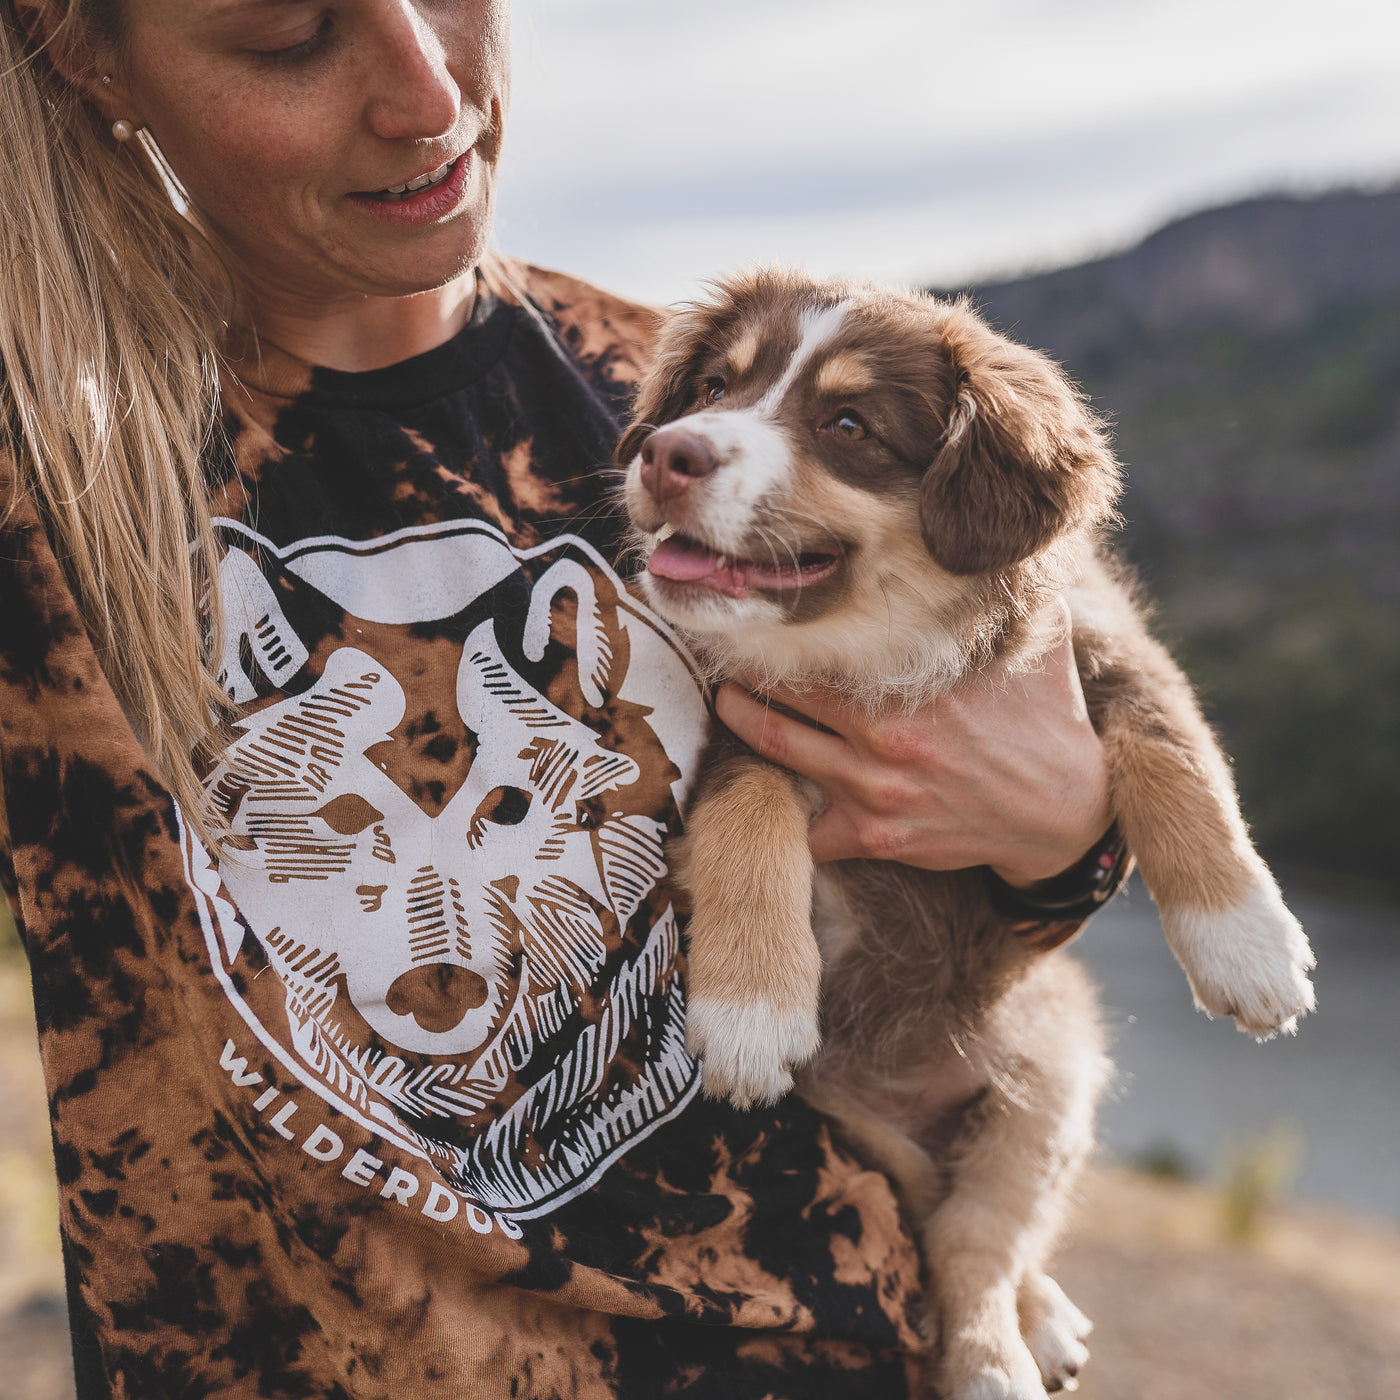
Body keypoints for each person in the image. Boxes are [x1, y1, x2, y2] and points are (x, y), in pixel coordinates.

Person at [0, 2, 1121, 1395]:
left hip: (822, 1344)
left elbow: (983, 887)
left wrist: (1068, 834)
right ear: (88, 54)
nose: (427, 92)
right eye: (291, 32)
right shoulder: (51, 469)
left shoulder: (695, 414)